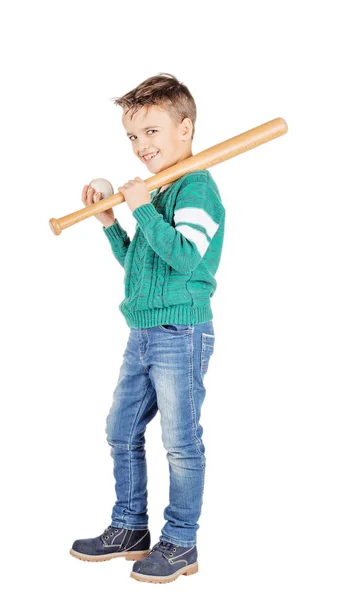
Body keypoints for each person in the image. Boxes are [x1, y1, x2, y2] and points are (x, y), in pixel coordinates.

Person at [70, 73, 226, 584]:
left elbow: (183, 259)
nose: (141, 147)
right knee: (121, 430)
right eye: (133, 137)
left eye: (152, 132)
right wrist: (112, 221)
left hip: (182, 333)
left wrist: (140, 207)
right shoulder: (155, 192)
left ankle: (181, 543)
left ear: (185, 128)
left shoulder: (196, 186)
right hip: (142, 332)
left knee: (181, 443)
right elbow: (141, 265)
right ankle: (129, 528)